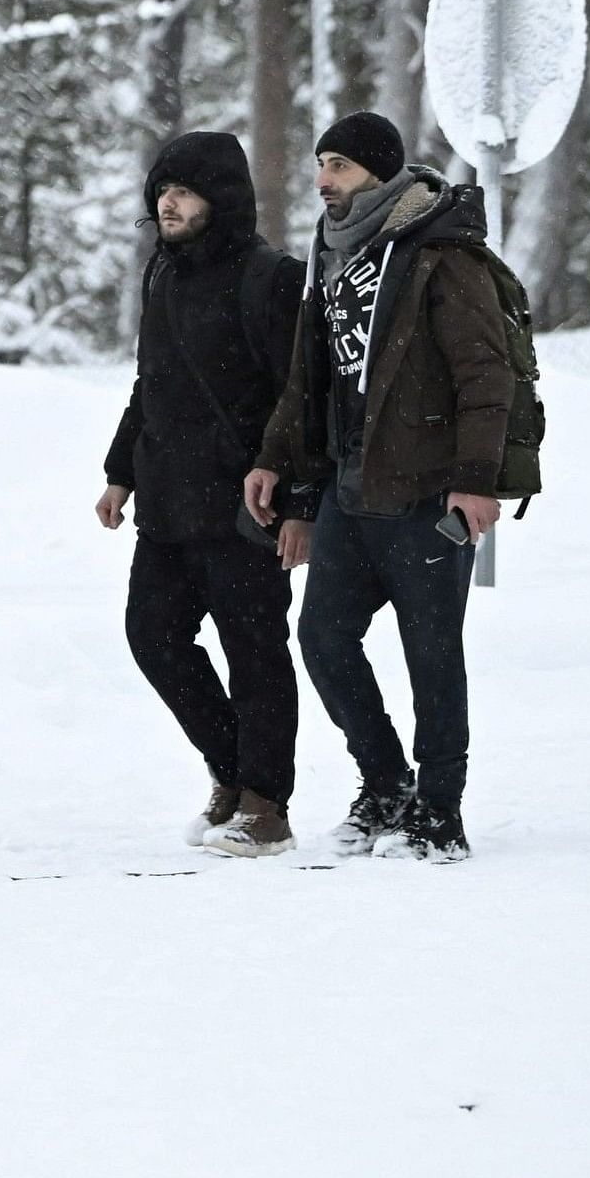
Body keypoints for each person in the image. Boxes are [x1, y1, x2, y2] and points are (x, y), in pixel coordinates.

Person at [246, 112, 517, 865]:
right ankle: (387, 781)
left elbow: (484, 373)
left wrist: (475, 480)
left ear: (379, 172)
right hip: (349, 487)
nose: (322, 179)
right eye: (320, 163)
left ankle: (440, 811)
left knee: (433, 654)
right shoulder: (328, 254)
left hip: (429, 494)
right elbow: (310, 375)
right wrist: (277, 458)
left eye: (338, 165)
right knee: (325, 640)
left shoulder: (436, 249)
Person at [99, 131, 307, 857]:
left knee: (255, 652)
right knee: (152, 634)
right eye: (162, 190)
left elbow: (300, 398)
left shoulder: (270, 278)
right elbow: (150, 383)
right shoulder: (161, 274)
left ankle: (265, 803)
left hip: (244, 507)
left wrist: (300, 501)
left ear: (219, 197)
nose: (168, 202)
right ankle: (230, 767)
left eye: (183, 190)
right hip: (164, 502)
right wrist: (119, 471)